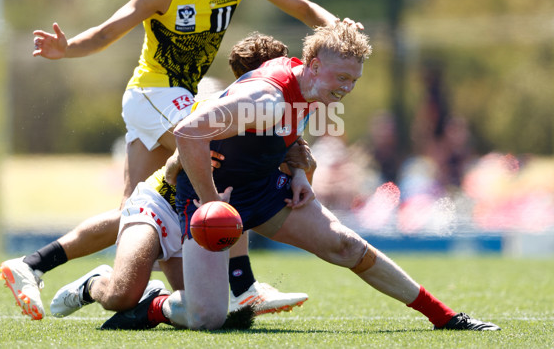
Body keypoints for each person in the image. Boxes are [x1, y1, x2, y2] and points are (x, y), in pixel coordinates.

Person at [0, 0, 354, 320]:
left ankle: (35, 265)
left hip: (177, 98)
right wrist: (68, 49)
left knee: (136, 212)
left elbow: (299, 6)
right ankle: (245, 285)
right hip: (152, 93)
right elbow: (110, 30)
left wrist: (339, 30)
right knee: (225, 152)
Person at [100, 21, 500, 332]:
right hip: (215, 195)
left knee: (345, 245)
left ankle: (445, 317)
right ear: (313, 65)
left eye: (353, 81)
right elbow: (189, 132)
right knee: (208, 318)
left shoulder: (309, 83)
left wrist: (298, 172)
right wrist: (210, 200)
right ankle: (152, 304)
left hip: (263, 190)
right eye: (341, 78)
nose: (347, 88)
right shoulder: (266, 98)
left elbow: (287, 127)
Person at [0, 34, 309, 320]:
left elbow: (294, 149)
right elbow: (194, 152)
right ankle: (93, 283)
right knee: (123, 294)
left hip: (188, 222)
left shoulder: (277, 112)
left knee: (200, 313)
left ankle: (153, 298)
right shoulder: (227, 109)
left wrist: (298, 170)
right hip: (162, 207)